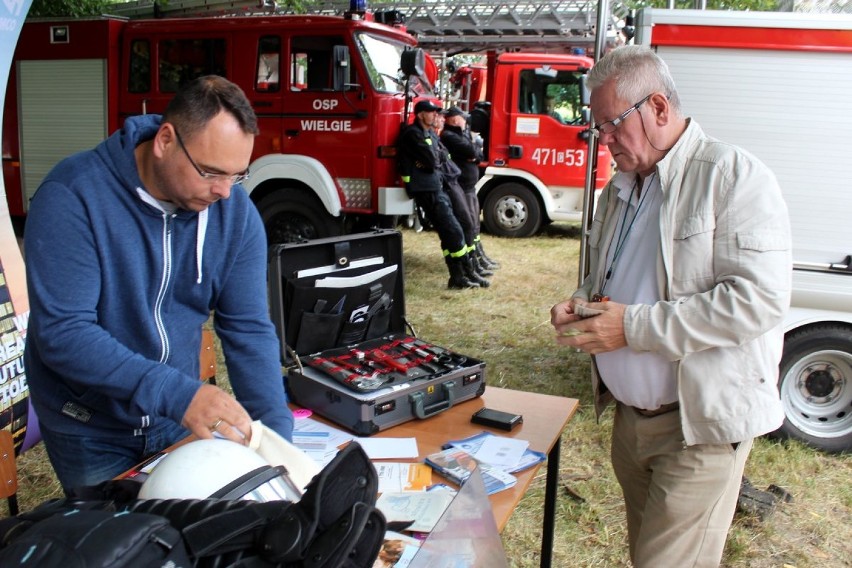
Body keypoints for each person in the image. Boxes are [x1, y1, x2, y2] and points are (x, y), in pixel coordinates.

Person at [550, 45, 792, 567]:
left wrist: (630, 329)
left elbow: (757, 300)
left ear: (658, 108)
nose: (604, 139)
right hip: (632, 426)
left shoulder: (732, 176)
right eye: (599, 128)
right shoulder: (622, 187)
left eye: (612, 124)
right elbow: (604, 280)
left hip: (697, 430)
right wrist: (579, 306)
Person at [24, 75, 295, 494]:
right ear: (165, 140)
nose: (225, 192)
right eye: (210, 172)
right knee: (117, 547)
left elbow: (248, 328)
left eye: (237, 175)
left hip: (176, 419)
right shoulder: (73, 195)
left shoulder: (234, 212)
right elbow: (63, 333)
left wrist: (276, 441)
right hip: (91, 425)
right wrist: (178, 393)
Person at [396, 99, 482, 289]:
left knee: (450, 231)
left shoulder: (430, 135)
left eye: (437, 112)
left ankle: (460, 276)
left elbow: (442, 158)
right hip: (426, 190)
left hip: (436, 186)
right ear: (420, 114)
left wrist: (432, 158)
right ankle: (461, 276)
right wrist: (430, 159)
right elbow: (432, 160)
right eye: (432, 112)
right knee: (453, 230)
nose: (436, 115)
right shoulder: (413, 134)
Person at [439, 106, 499, 272]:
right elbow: (472, 150)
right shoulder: (449, 136)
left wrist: (474, 153)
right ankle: (472, 262)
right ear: (454, 119)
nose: (466, 121)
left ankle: (479, 256)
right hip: (461, 186)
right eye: (463, 118)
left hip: (469, 187)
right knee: (468, 223)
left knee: (474, 224)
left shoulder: (460, 134)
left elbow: (479, 154)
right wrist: (473, 152)